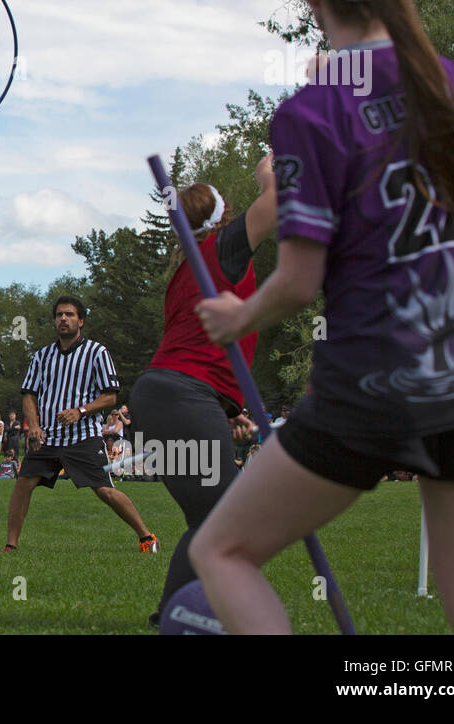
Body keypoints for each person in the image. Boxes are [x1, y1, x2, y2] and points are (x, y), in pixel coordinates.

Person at [190, 0, 454, 634]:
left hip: (372, 384)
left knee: (224, 550)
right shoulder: (445, 82)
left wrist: (239, 316)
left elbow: (301, 282)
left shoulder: (308, 115)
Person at [127, 158, 275, 628]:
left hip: (170, 398)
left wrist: (223, 406)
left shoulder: (188, 270)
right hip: (181, 397)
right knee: (226, 518)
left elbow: (197, 342)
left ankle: (171, 616)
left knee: (210, 519)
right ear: (224, 214)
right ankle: (185, 614)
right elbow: (277, 204)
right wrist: (267, 171)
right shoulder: (221, 248)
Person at [4, 296, 158, 555]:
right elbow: (29, 394)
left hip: (83, 436)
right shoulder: (42, 356)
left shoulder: (97, 353)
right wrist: (33, 426)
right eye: (59, 315)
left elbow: (110, 396)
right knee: (23, 484)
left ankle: (146, 536)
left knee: (105, 491)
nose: (63, 319)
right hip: (49, 437)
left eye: (70, 315)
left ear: (81, 320)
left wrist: (81, 411)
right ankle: (11, 545)